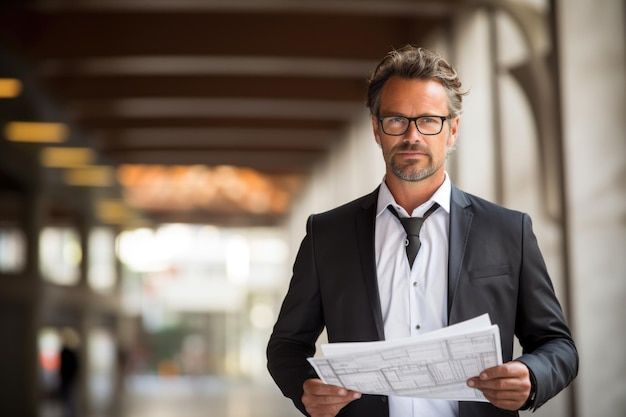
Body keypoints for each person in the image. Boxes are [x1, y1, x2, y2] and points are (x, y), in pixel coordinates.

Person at [266, 45, 578, 417]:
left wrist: (532, 375)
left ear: (452, 129)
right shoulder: (327, 234)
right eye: (396, 120)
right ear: (376, 129)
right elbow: (285, 346)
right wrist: (305, 387)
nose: (412, 136)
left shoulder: (509, 230)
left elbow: (558, 345)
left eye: (429, 120)